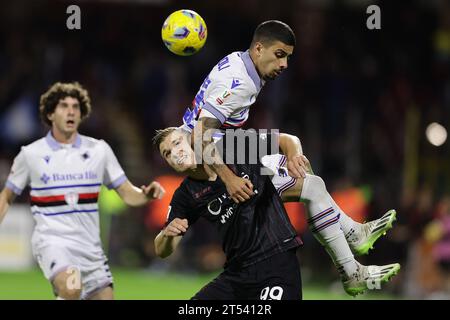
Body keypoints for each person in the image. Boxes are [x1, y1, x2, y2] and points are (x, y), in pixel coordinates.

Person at [180, 20, 398, 293]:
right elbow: (199, 134)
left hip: (229, 147)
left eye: (288, 58)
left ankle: (353, 250)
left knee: (311, 183)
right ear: (259, 48)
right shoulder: (240, 83)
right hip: (212, 164)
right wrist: (229, 178)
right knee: (310, 186)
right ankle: (352, 259)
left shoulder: (240, 61)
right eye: (279, 55)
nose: (284, 65)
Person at [153, 127, 400, 298]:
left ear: (192, 140)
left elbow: (286, 140)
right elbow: (163, 249)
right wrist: (167, 234)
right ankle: (352, 251)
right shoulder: (185, 195)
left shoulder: (230, 147)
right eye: (167, 153)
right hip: (237, 274)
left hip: (277, 265)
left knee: (312, 184)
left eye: (177, 143)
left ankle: (352, 256)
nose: (174, 152)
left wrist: (293, 156)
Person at [0, 82, 166, 300]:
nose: (71, 111)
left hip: (90, 248)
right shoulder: (31, 154)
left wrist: (146, 195)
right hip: (53, 241)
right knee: (72, 287)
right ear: (50, 113)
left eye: (76, 107)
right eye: (63, 106)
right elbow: (7, 196)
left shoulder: (99, 150)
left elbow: (127, 193)